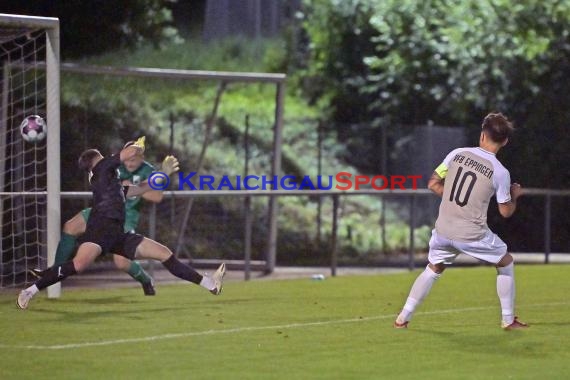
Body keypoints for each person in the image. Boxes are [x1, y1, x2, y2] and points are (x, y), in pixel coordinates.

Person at [18, 137, 225, 309]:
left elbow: (143, 188)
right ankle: (30, 291)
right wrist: (138, 146)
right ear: (96, 161)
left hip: (118, 234)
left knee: (164, 253)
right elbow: (126, 154)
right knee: (78, 265)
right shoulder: (101, 168)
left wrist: (163, 173)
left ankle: (210, 284)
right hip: (100, 228)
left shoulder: (112, 183)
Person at [394, 112, 528, 330]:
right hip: (471, 234)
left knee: (433, 268)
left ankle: (402, 318)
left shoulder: (457, 154)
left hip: (444, 230)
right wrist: (515, 195)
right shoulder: (500, 172)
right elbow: (505, 212)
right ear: (505, 141)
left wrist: (452, 199)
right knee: (505, 262)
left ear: (482, 135)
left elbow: (433, 183)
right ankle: (508, 319)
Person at [32, 141, 164, 295]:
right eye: (129, 157)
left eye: (135, 157)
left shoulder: (147, 170)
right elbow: (101, 178)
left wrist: (138, 187)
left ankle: (146, 280)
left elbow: (156, 196)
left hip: (124, 216)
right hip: (102, 210)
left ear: (141, 157)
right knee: (70, 226)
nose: (130, 161)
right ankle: (54, 271)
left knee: (121, 262)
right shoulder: (115, 164)